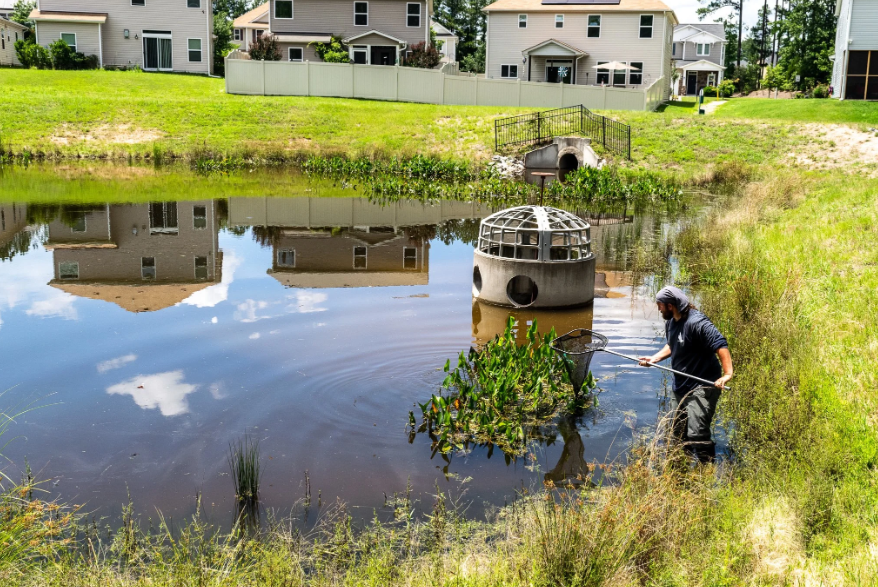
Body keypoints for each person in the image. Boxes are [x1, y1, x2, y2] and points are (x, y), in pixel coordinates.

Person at [638, 286, 733, 460]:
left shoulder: (696, 322)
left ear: (670, 305)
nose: (658, 309)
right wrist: (655, 358)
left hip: (703, 384)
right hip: (680, 384)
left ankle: (706, 468)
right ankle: (682, 467)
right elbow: (673, 344)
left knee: (697, 433)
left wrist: (727, 374)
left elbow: (720, 344)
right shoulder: (671, 322)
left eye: (660, 305)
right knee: (677, 431)